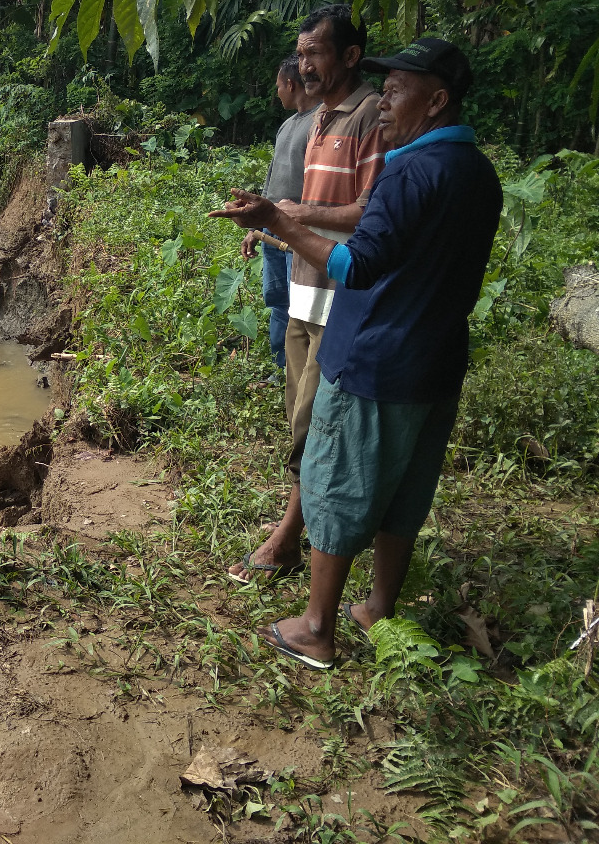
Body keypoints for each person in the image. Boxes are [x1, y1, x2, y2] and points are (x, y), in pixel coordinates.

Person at [210, 37, 503, 668]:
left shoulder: (409, 171)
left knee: (337, 483)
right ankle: (378, 608)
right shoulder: (477, 171)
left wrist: (280, 223)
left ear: (438, 100)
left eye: (399, 89)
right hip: (436, 359)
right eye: (388, 86)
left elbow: (356, 265)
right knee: (405, 488)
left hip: (375, 355)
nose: (387, 99)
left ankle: (317, 628)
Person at [228, 5, 387, 583]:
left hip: (340, 294)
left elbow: (369, 211)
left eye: (313, 52)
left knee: (316, 417)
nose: (304, 65)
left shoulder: (371, 115)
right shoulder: (320, 118)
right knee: (300, 408)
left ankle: (292, 536)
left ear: (349, 55)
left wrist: (291, 213)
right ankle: (298, 528)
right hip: (303, 287)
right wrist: (271, 221)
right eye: (299, 55)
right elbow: (308, 206)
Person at [248, 54, 318, 370]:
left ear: (290, 84)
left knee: (299, 305)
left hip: (296, 230)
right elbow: (272, 178)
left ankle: (299, 375)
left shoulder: (321, 123)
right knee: (277, 300)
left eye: (278, 86)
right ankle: (281, 370)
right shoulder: (287, 125)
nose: (277, 92)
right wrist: (255, 223)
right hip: (271, 228)